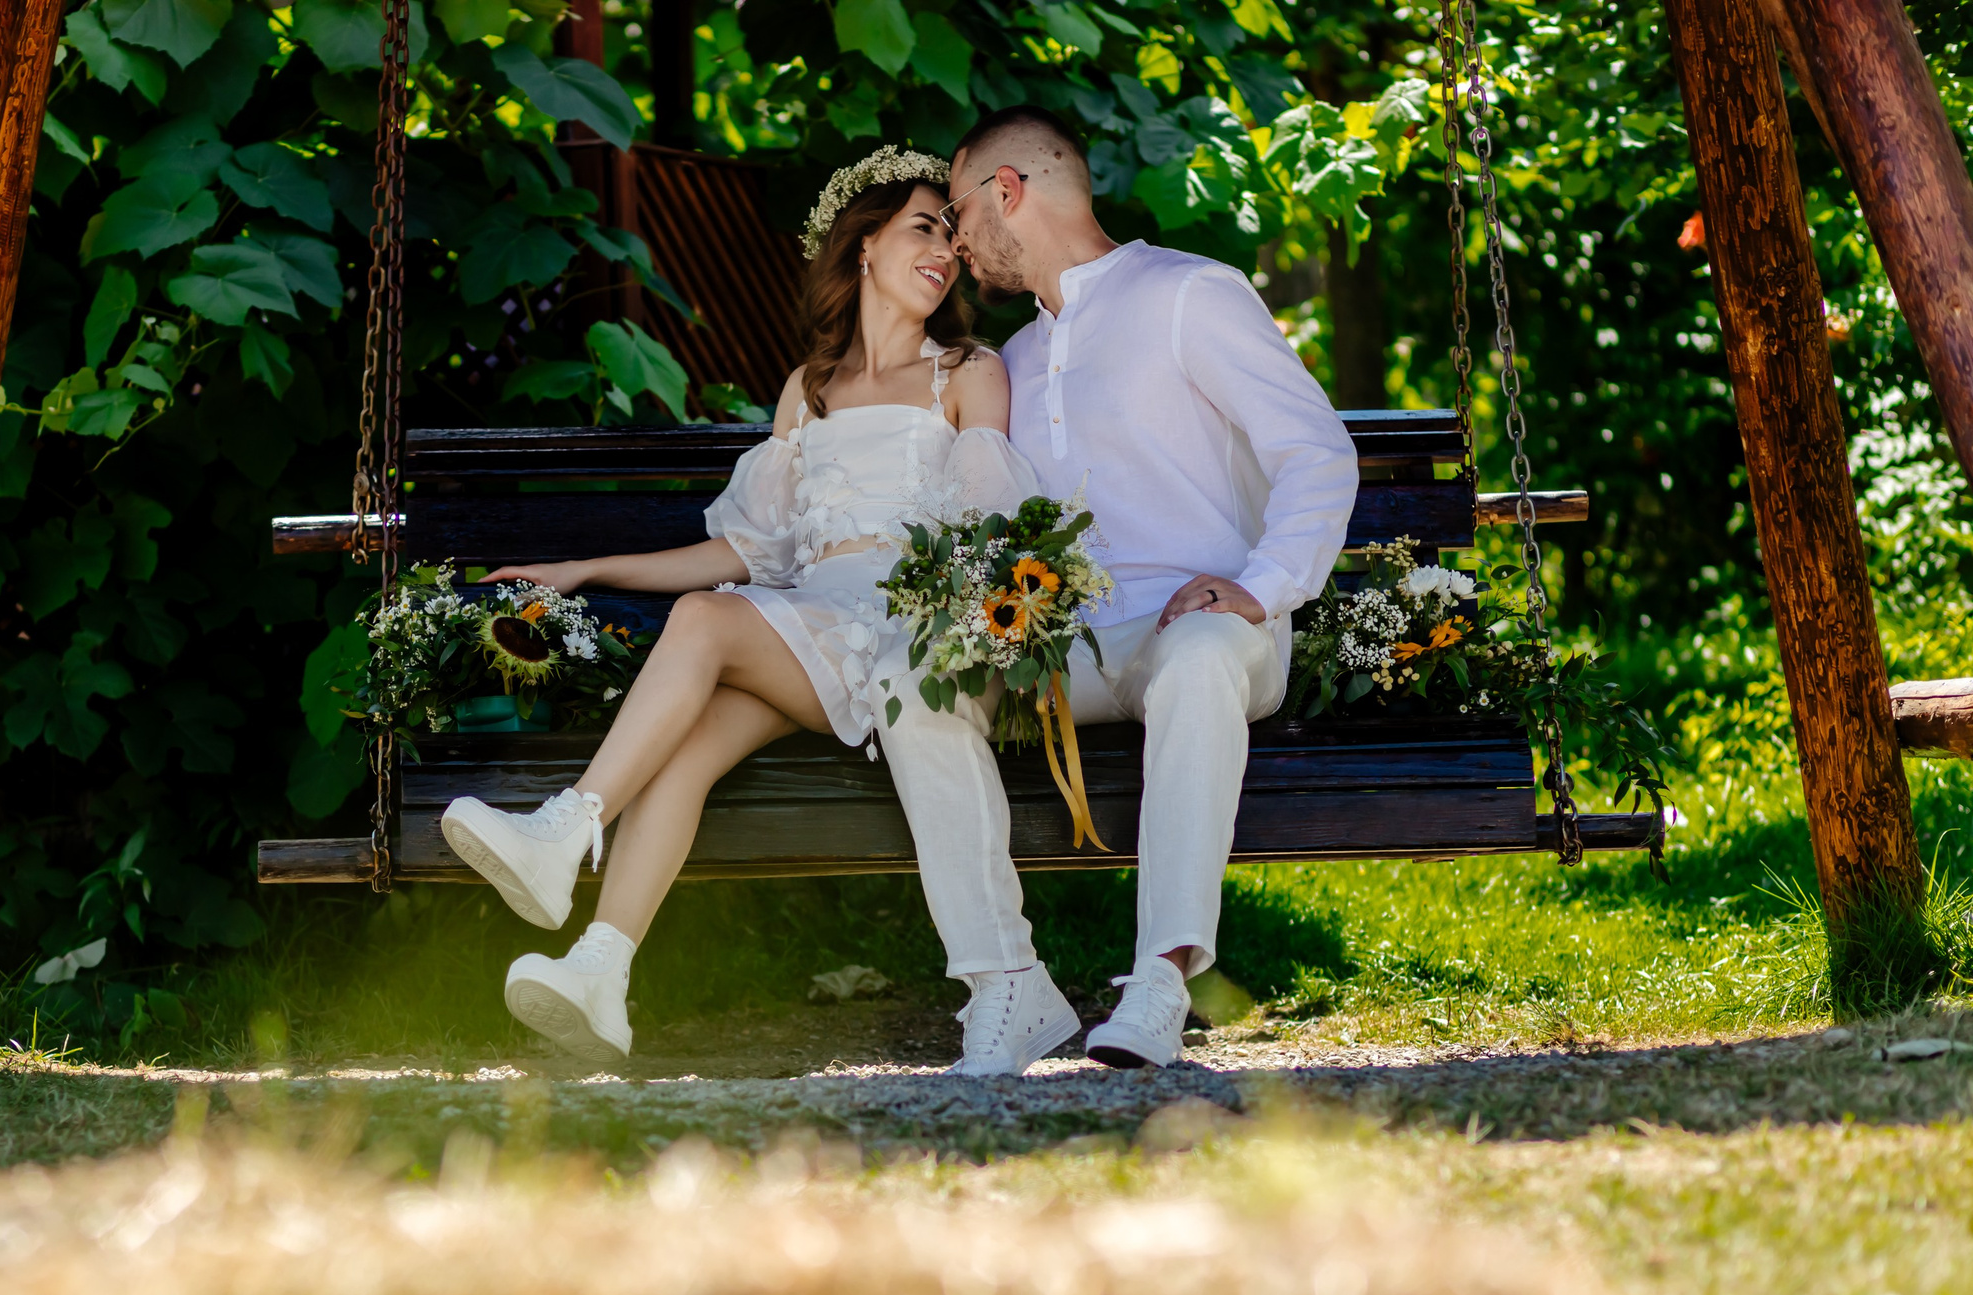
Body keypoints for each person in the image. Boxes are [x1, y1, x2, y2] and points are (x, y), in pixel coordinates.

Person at [437, 148, 1040, 1066]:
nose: (945, 253)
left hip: (900, 631)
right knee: (686, 745)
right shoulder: (810, 388)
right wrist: (581, 566)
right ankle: (601, 972)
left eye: (951, 240)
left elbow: (992, 521)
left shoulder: (966, 371)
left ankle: (567, 827)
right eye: (924, 227)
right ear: (864, 244)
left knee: (706, 620)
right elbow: (749, 549)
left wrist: (958, 626)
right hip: (806, 626)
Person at [874, 105, 1360, 1073]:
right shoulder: (1011, 363)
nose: (959, 248)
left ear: (1007, 190)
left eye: (962, 218)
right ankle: (1006, 986)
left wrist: (1257, 587)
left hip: (1216, 636)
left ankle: (1159, 986)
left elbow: (1318, 454)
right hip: (1076, 651)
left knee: (1201, 653)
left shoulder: (1189, 296)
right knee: (907, 678)